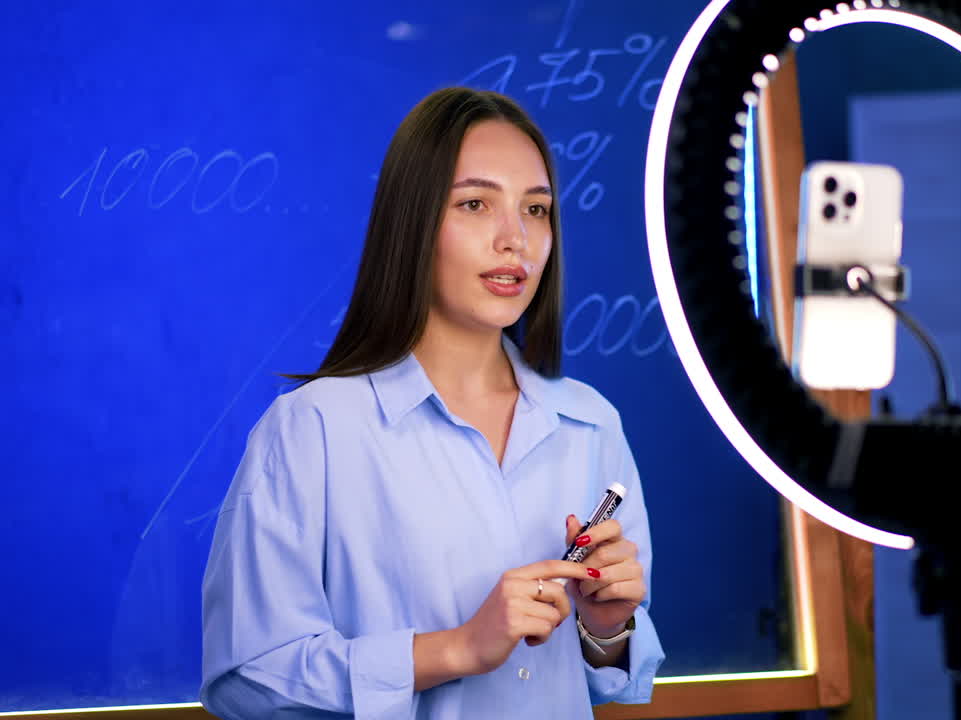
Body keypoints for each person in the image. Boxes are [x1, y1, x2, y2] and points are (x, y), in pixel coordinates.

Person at [199, 87, 664, 719]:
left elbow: (611, 679)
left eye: (536, 209)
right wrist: (458, 648)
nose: (515, 240)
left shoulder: (590, 426)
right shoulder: (315, 430)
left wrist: (605, 627)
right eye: (475, 203)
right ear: (413, 221)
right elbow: (247, 682)